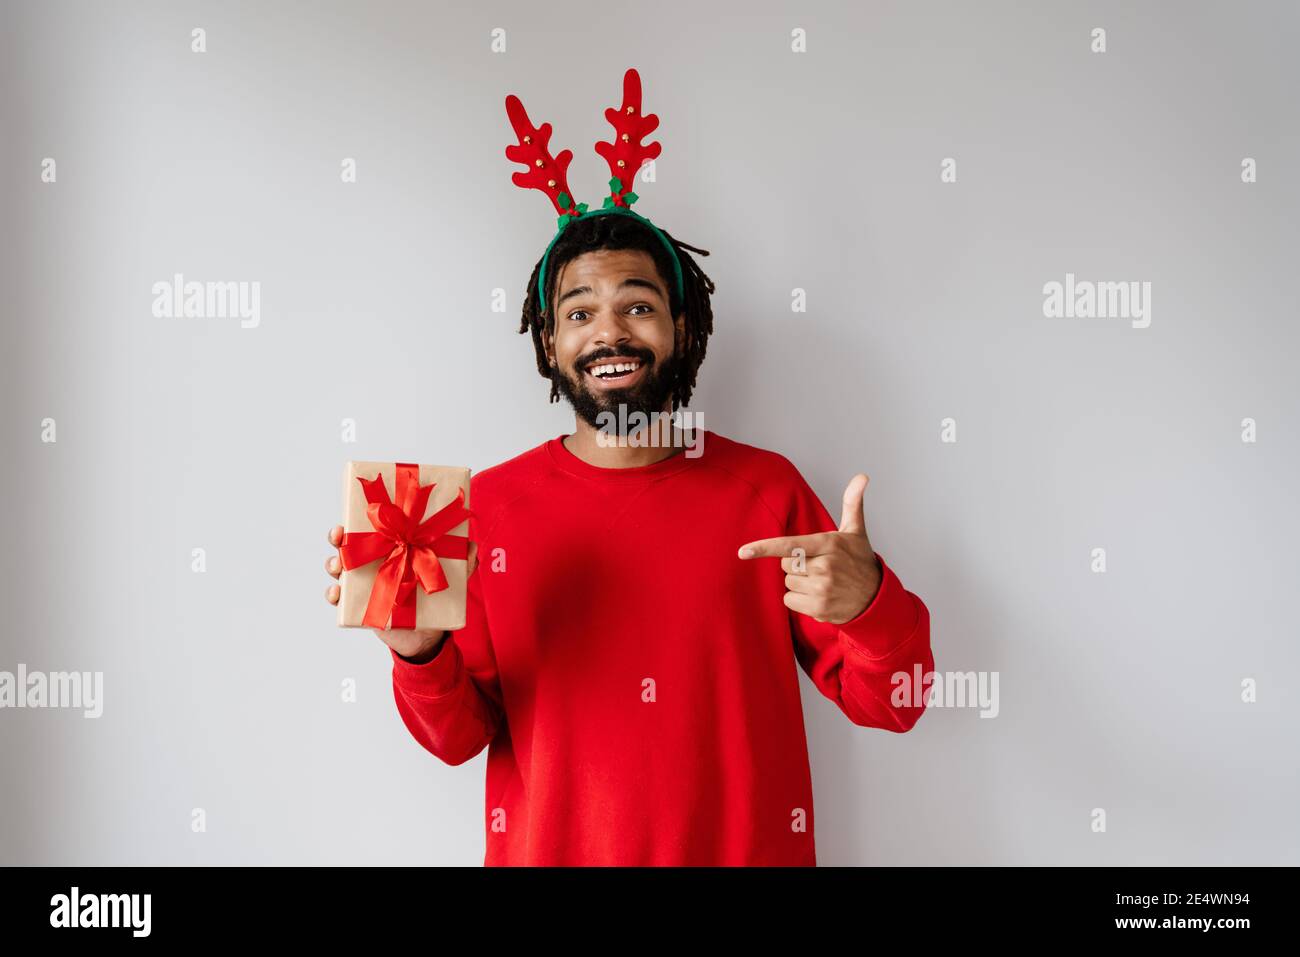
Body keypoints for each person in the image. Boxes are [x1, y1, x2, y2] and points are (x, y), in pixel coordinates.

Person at [323, 69, 935, 865]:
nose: (608, 331)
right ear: (549, 342)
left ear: (682, 326)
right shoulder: (483, 510)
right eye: (579, 312)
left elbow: (899, 702)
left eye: (637, 305)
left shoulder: (769, 492)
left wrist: (870, 606)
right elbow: (456, 740)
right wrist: (417, 651)